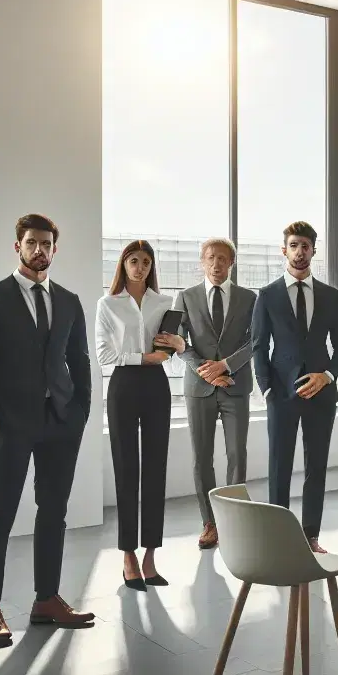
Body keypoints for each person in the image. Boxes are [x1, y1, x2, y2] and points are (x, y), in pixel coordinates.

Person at [0, 214, 96, 647]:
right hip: (12, 423)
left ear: (55, 250)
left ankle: (47, 600)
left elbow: (79, 361)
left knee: (53, 512)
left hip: (60, 422)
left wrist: (80, 412)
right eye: (31, 242)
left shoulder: (70, 300)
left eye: (46, 243)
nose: (39, 249)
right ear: (17, 246)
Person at [251, 220, 338, 553]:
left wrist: (328, 375)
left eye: (305, 246)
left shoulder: (331, 296)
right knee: (279, 466)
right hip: (281, 394)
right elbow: (258, 346)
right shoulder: (267, 295)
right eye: (294, 245)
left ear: (313, 251)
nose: (300, 251)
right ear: (285, 250)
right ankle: (279, 538)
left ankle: (311, 536)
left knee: (316, 466)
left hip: (322, 394)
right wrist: (266, 389)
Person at [97, 241, 186, 590]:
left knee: (154, 467)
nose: (140, 267)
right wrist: (143, 357)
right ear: (124, 264)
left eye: (146, 262)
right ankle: (127, 555)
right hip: (123, 385)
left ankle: (150, 555)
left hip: (156, 387)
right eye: (134, 261)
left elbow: (171, 350)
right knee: (125, 468)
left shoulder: (165, 303)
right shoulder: (108, 303)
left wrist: (175, 347)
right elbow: (105, 353)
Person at [177, 237, 255, 551]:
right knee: (202, 458)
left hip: (235, 386)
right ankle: (209, 523)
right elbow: (178, 342)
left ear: (231, 263)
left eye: (223, 258)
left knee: (237, 454)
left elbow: (256, 341)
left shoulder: (250, 298)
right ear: (202, 260)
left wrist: (225, 366)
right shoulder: (185, 297)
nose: (216, 264)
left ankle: (235, 520)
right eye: (210, 258)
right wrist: (205, 370)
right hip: (199, 388)